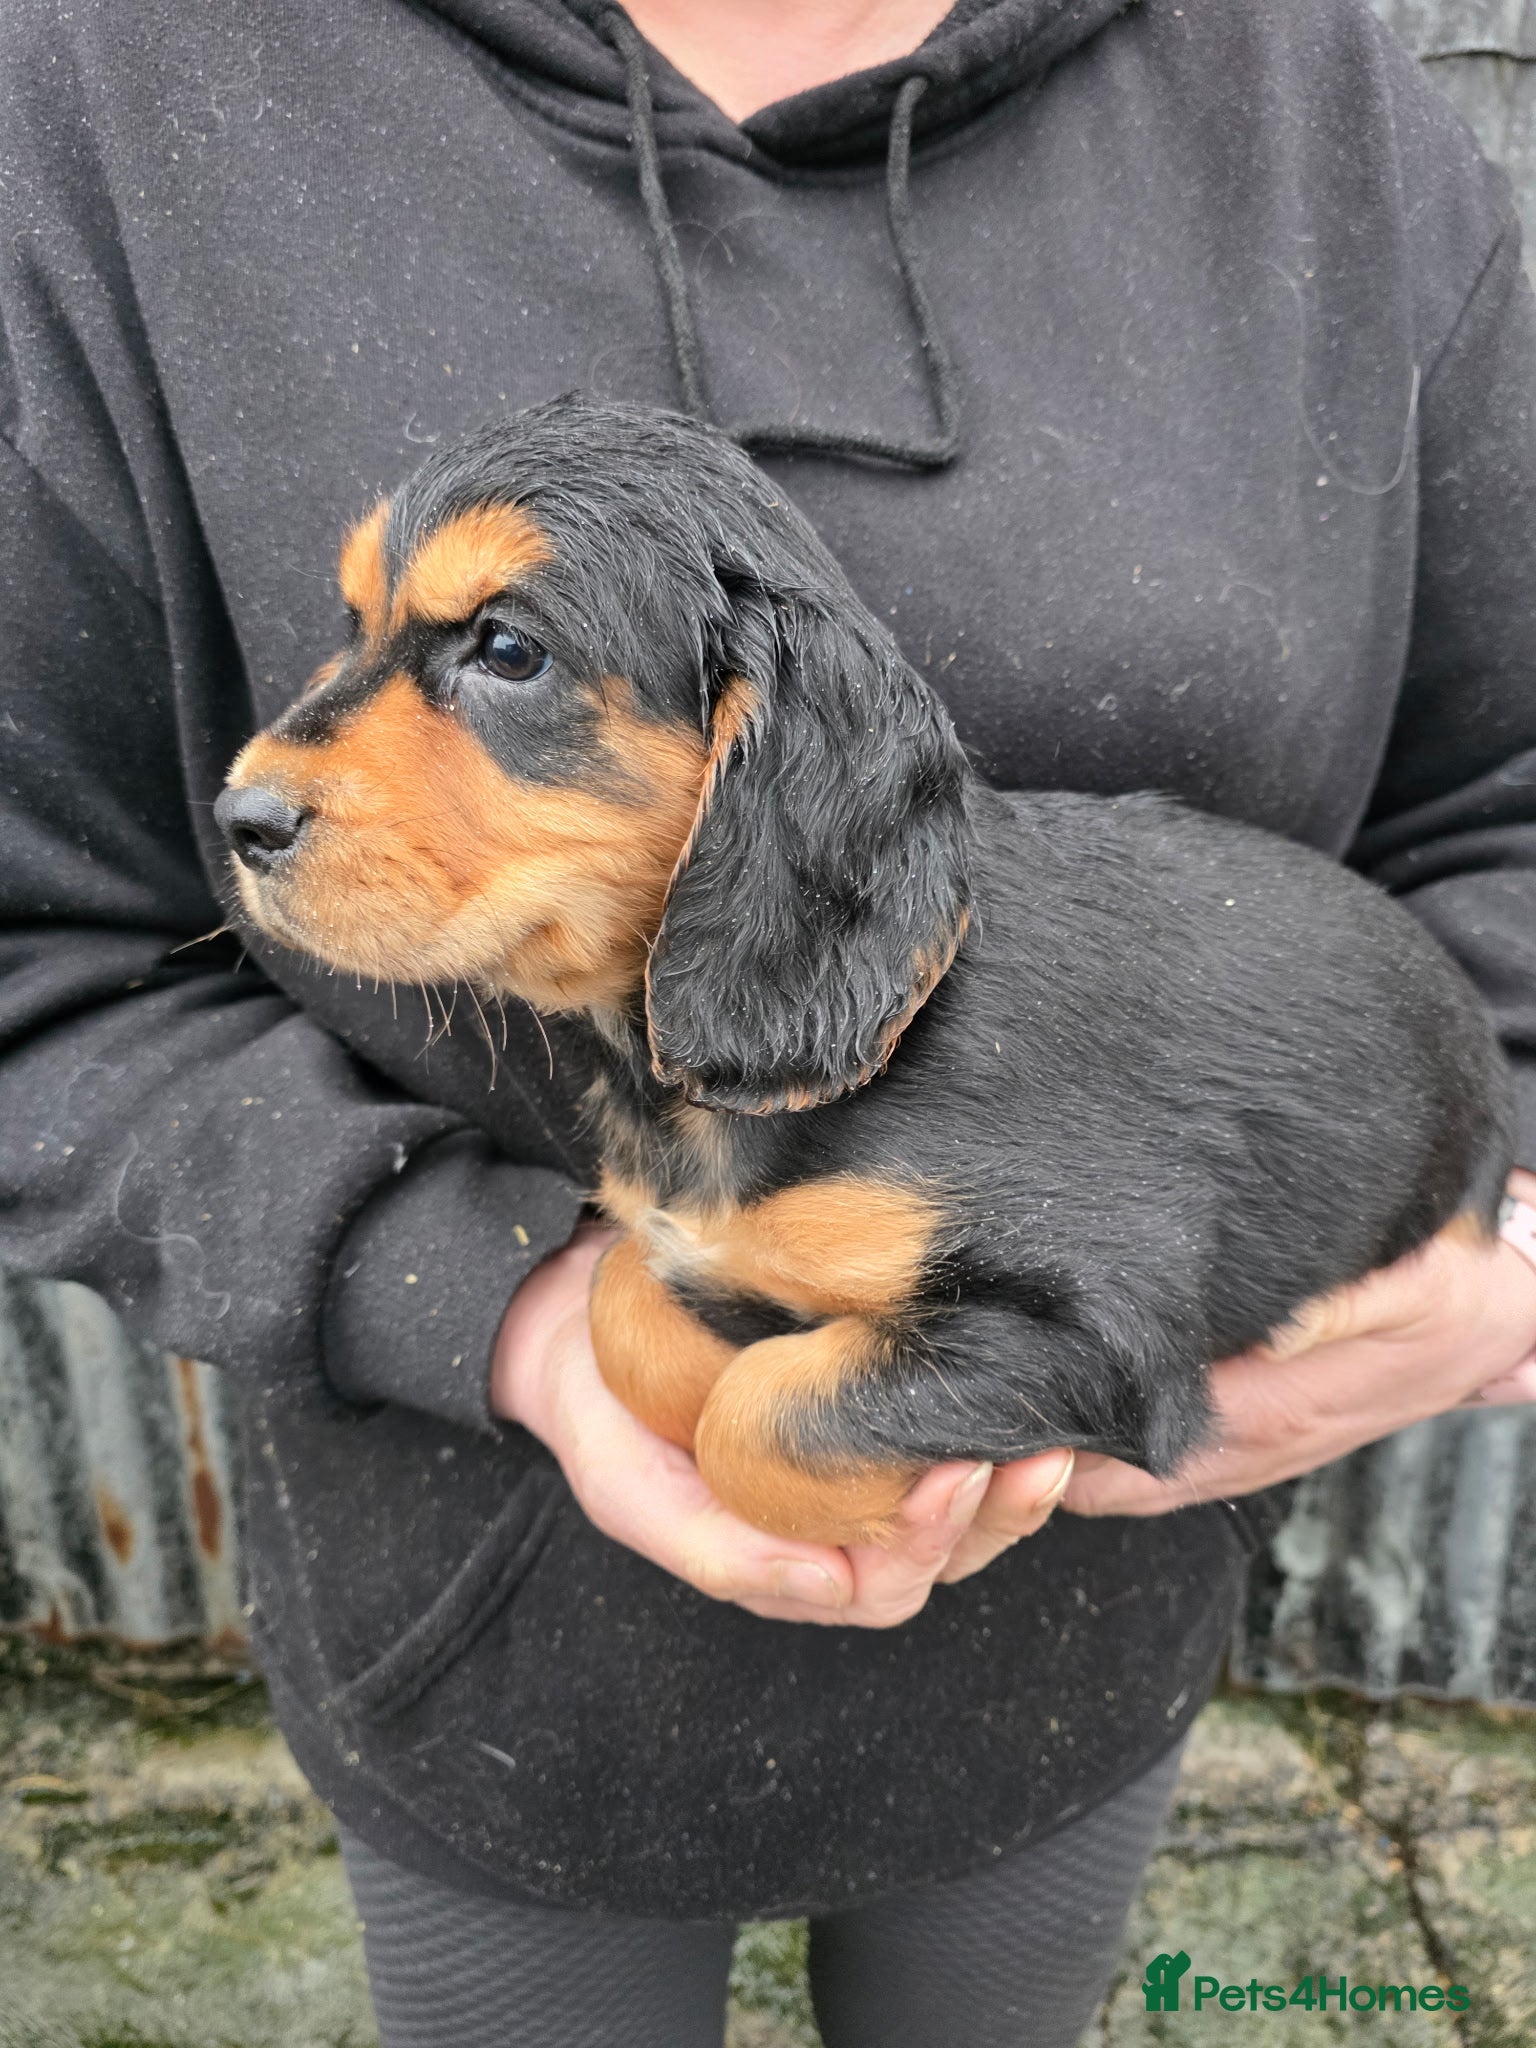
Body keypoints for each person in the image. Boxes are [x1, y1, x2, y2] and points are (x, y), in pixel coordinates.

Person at [2, 1, 1535, 2042]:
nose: (279, 774)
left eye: (500, 651)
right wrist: (524, 1312)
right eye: (373, 627)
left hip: (1084, 1658)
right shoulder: (106, 82)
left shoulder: (1319, 96)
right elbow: (39, 947)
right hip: (475, 1683)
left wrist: (1499, 1223)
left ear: (756, 769)